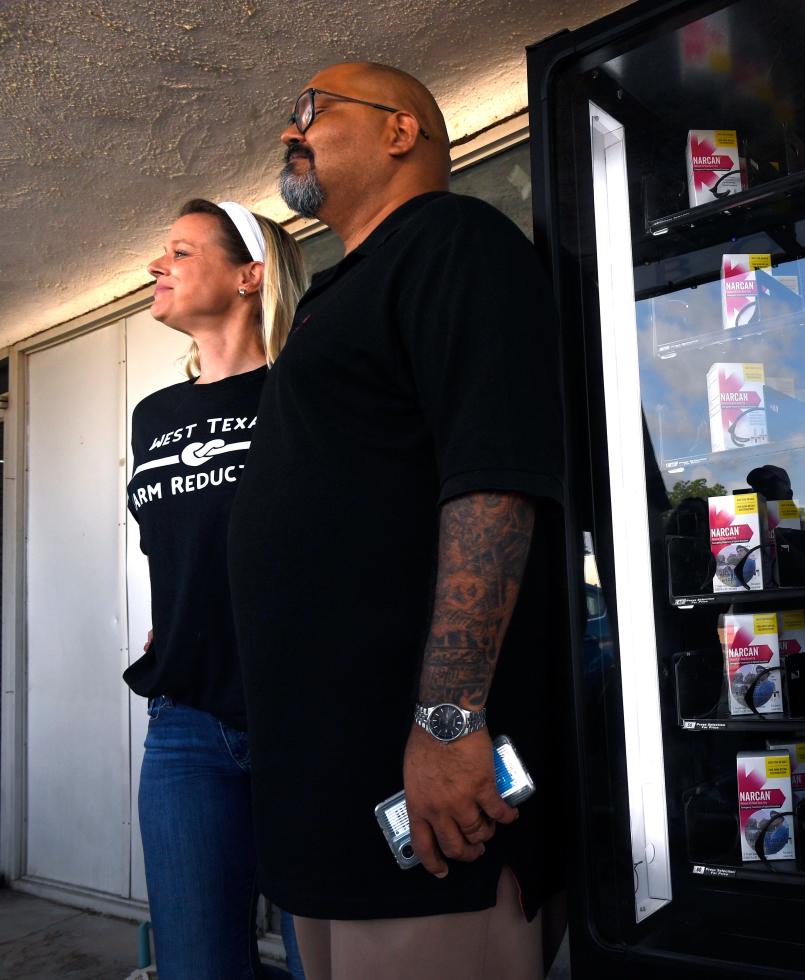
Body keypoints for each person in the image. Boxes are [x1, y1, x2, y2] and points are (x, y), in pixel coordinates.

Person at [227, 62, 567, 980]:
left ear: (399, 131)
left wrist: (451, 721)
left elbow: (494, 485)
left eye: (313, 109)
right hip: (327, 810)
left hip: (428, 823)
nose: (290, 129)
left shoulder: (454, 242)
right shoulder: (341, 292)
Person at [127, 199, 310, 978]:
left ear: (249, 276)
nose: (154, 267)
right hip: (185, 723)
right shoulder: (153, 414)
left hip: (307, 718)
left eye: (181, 251)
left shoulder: (307, 391)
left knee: (327, 963)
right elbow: (174, 544)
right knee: (197, 967)